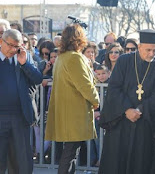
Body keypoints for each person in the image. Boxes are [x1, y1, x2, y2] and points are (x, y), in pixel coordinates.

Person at [98, 29, 155, 174]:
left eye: (154, 50)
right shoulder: (124, 60)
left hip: (144, 123)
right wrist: (127, 109)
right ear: (140, 46)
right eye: (148, 50)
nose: (151, 54)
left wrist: (139, 110)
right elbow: (114, 88)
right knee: (117, 163)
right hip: (120, 120)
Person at [45, 24, 100, 174]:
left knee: (70, 153)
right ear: (79, 39)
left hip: (66, 113)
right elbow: (85, 85)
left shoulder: (62, 58)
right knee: (70, 154)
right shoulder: (74, 58)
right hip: (74, 114)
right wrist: (96, 101)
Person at [0, 29, 42, 174]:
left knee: (22, 159)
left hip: (20, 116)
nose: (13, 50)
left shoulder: (24, 57)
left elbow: (37, 79)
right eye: (10, 45)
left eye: (17, 47)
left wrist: (25, 64)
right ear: (1, 42)